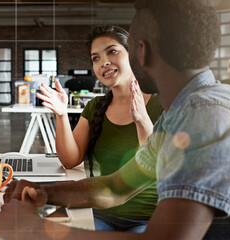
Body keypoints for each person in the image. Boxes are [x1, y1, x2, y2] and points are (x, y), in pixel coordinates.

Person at [0, 0, 230, 239]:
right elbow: (114, 188)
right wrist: (43, 192)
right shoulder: (179, 114)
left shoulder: (207, 115)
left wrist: (34, 230)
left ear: (140, 52)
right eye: (96, 58)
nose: (104, 63)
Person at [36, 25, 163, 232]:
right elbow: (70, 160)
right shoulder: (95, 107)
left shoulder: (162, 104)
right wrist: (61, 115)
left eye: (112, 51)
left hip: (146, 220)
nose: (103, 62)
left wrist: (141, 120)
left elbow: (155, 168)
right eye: (95, 58)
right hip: (99, 214)